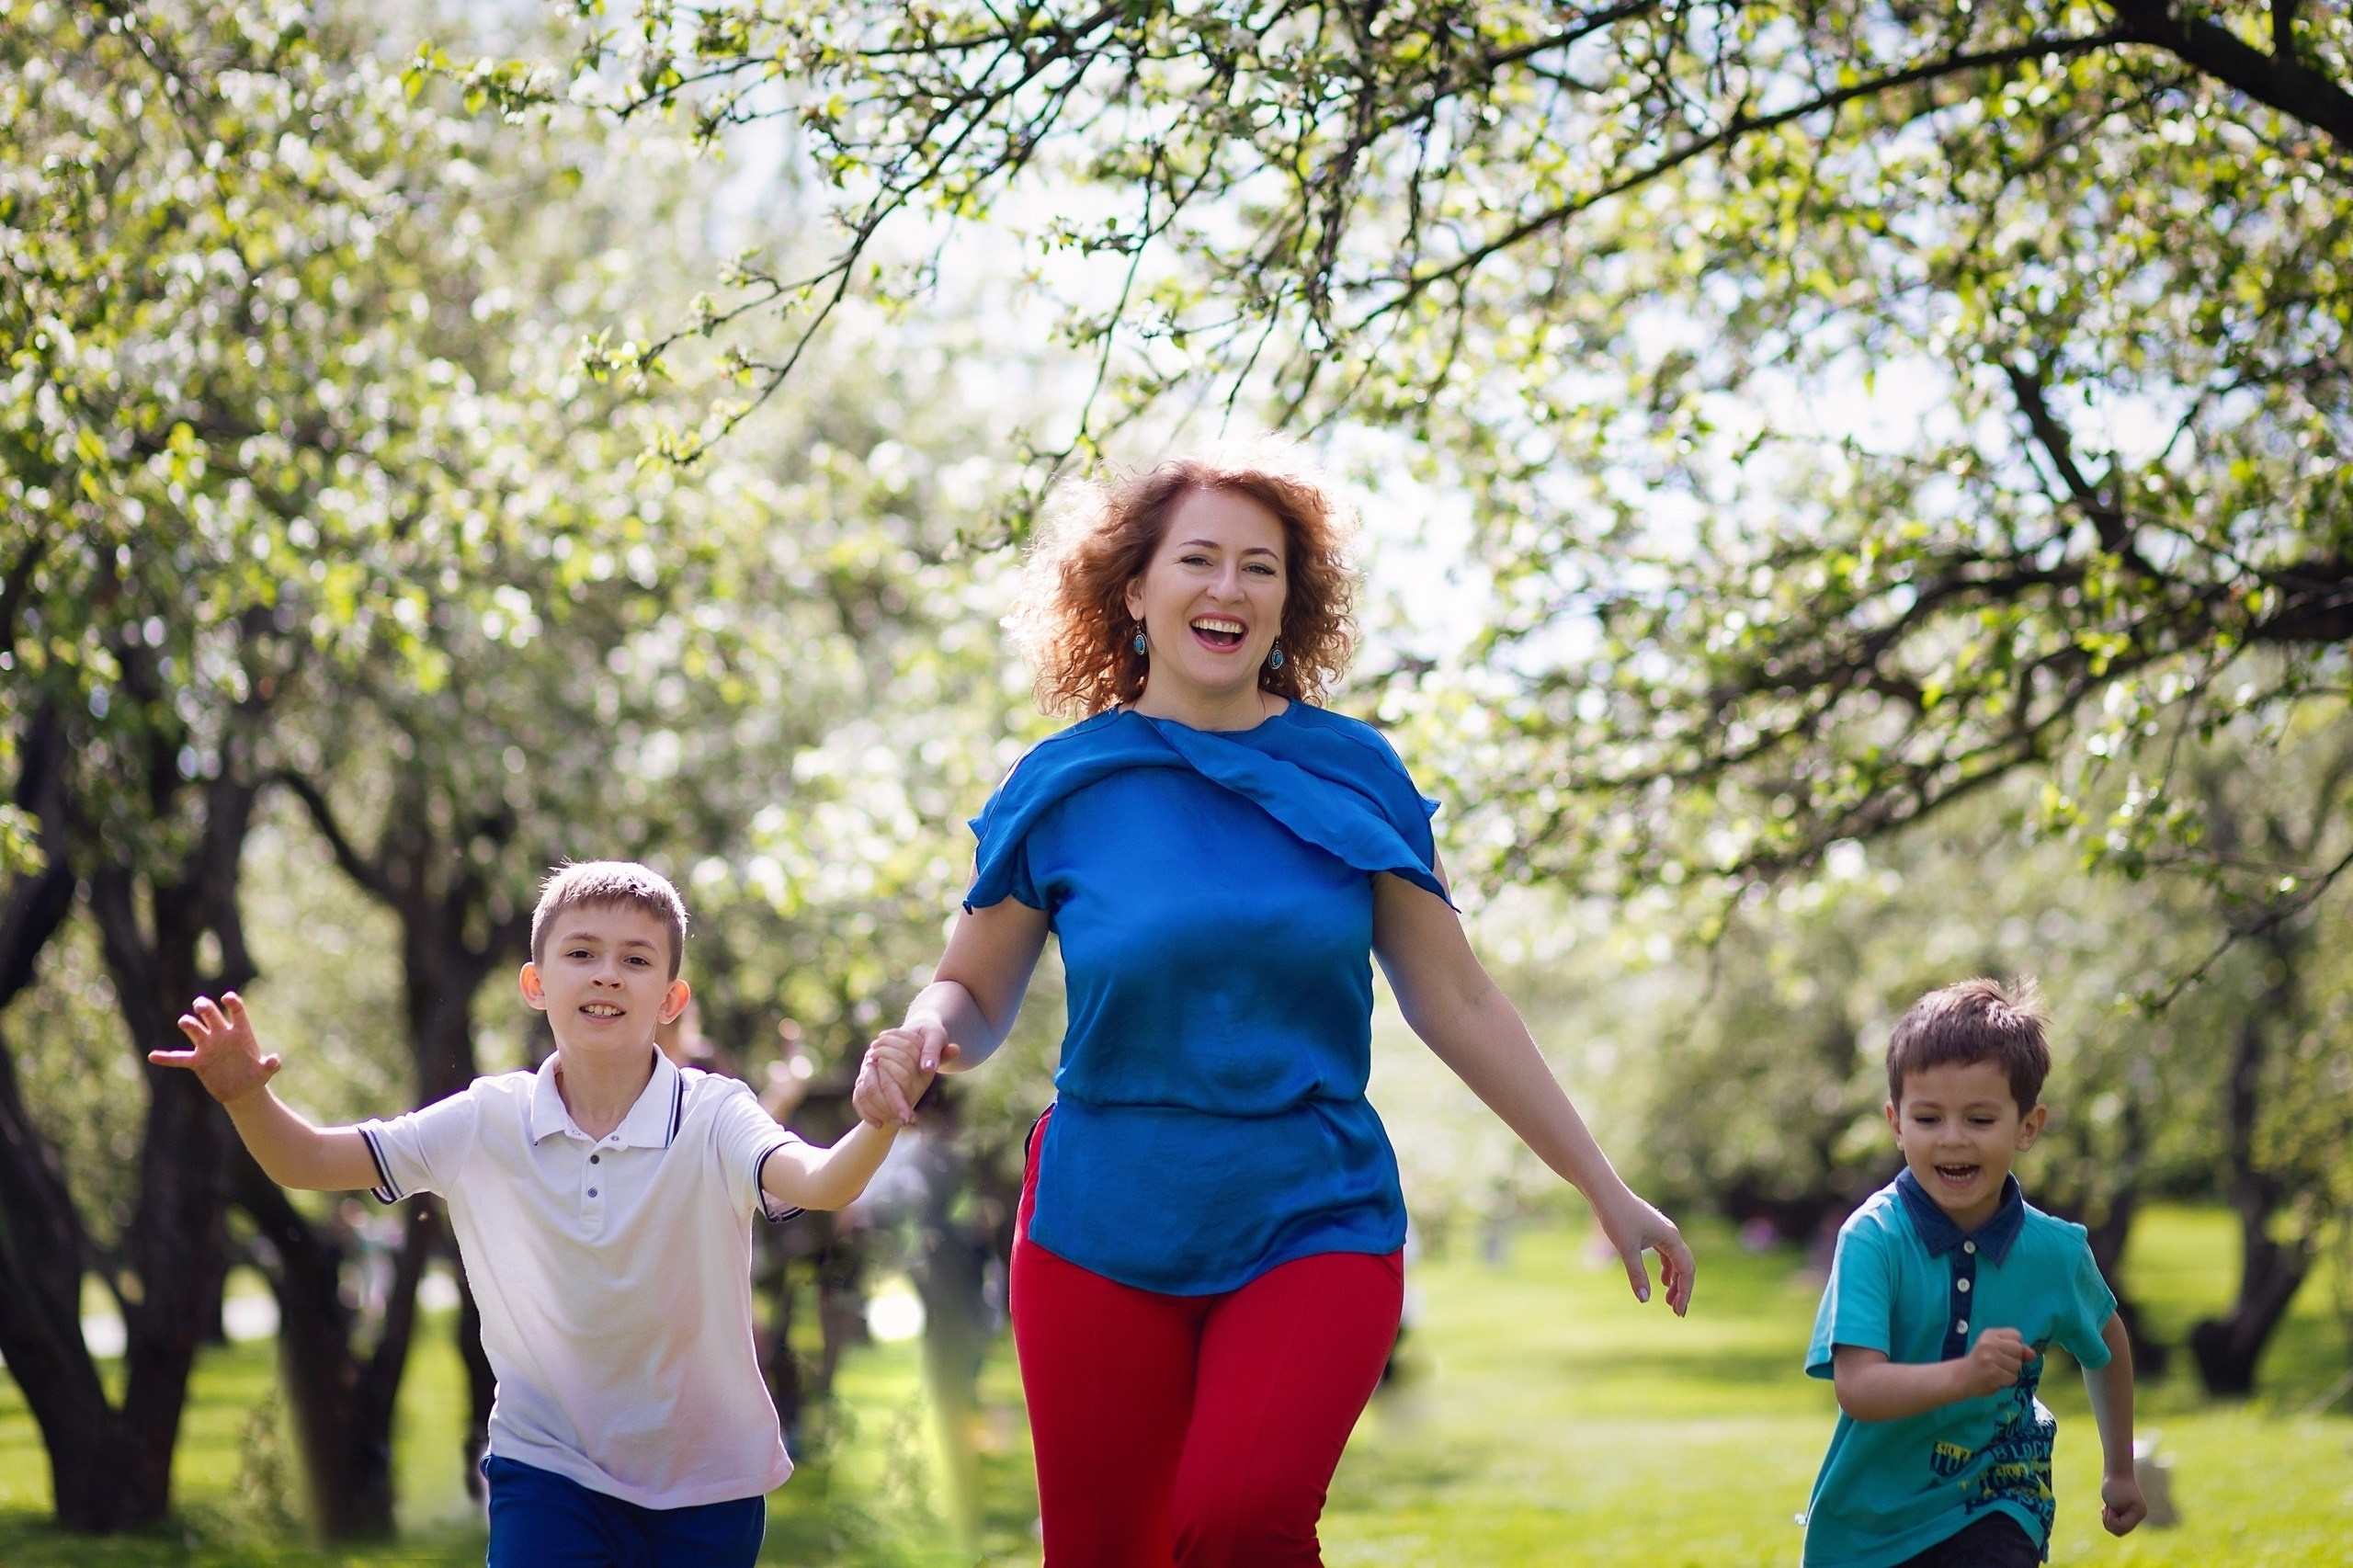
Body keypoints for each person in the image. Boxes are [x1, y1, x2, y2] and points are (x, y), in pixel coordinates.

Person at [859, 447, 1696, 1566]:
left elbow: (1457, 1000)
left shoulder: (1353, 774)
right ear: (1133, 592)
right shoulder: (1064, 784)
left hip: (1311, 1208)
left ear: (1289, 602)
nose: (1230, 589)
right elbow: (974, 985)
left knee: (1242, 1518)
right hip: (1102, 1219)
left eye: (1261, 567)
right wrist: (924, 1033)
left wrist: (1605, 1188)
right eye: (1197, 559)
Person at [153, 860, 931, 1568]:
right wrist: (246, 1096)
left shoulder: (712, 1114)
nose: (608, 975)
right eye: (582, 953)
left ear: (670, 999)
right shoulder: (487, 1119)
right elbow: (309, 1161)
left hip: (706, 1478)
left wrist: (878, 1120)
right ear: (535, 982)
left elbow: (823, 1181)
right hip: (547, 1464)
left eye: (636, 959)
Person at [1802, 979, 2145, 1567]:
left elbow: (2106, 1341)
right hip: (1870, 1529)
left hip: (1998, 1502)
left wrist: (2119, 1469)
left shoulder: (2055, 1253)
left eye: (1980, 1119)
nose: (1953, 1139)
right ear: (1896, 1122)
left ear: (2028, 1126)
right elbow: (1858, 1387)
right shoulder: (1873, 1240)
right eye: (1929, 1118)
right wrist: (1965, 1375)